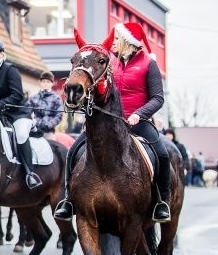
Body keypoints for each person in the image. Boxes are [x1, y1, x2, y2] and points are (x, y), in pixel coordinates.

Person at [54, 22, 172, 222]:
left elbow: (158, 98)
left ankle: (162, 202)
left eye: (118, 39)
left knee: (162, 154)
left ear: (129, 42)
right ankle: (69, 200)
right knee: (73, 151)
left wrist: (139, 114)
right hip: (107, 122)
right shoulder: (110, 62)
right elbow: (99, 90)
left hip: (138, 122)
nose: (114, 42)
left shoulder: (148, 64)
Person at [0, 36, 42, 189]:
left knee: (21, 134)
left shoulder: (10, 69)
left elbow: (17, 95)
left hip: (18, 113)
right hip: (1, 114)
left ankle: (30, 173)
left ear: (1, 54)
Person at [28, 71, 63, 139]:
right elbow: (28, 112)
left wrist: (48, 125)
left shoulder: (57, 98)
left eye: (48, 82)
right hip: (35, 129)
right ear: (40, 82)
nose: (45, 84)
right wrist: (36, 123)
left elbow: (59, 115)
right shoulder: (33, 97)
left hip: (48, 131)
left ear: (52, 83)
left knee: (52, 147)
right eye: (43, 81)